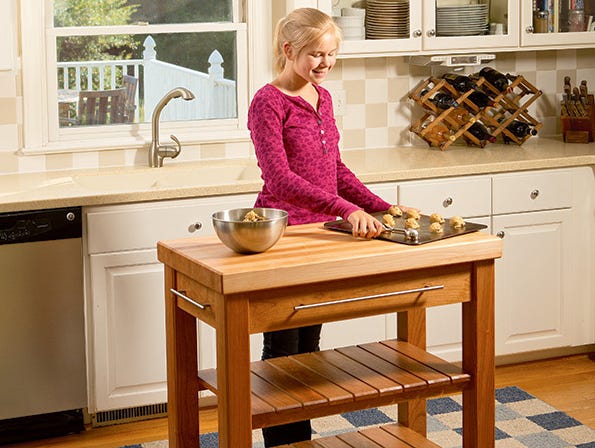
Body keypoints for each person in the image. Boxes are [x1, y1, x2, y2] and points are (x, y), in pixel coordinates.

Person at [247, 7, 408, 447]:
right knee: (282, 350)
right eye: (316, 55)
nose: (325, 64)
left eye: (331, 54)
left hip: (322, 234)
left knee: (309, 346)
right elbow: (280, 178)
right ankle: (284, 442)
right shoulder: (268, 101)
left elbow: (333, 169)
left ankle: (303, 439)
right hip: (284, 235)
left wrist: (382, 207)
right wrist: (344, 209)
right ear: (288, 50)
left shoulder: (324, 97)